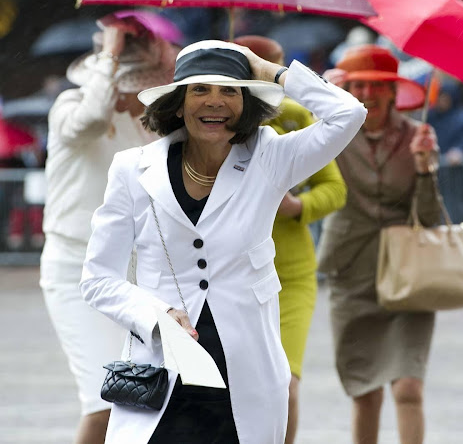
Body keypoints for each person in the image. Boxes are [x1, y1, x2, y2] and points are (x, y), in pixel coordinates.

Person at [80, 40, 366, 443]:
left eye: (229, 90)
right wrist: (156, 313)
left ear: (246, 103)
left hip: (246, 381)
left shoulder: (270, 157)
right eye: (200, 90)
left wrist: (273, 72)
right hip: (160, 376)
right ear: (178, 103)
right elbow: (97, 279)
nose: (214, 102)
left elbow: (348, 114)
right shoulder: (132, 169)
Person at [40, 15, 176, 444]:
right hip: (73, 270)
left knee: (147, 400)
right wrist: (112, 52)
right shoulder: (70, 110)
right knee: (103, 402)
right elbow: (94, 117)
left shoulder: (146, 130)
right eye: (142, 84)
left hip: (133, 276)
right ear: (118, 83)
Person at [316, 44, 440, 444]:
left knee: (408, 387)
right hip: (351, 271)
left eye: (377, 86)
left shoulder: (416, 135)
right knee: (364, 391)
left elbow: (432, 217)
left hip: (410, 274)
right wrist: (319, 94)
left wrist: (425, 169)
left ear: (393, 92)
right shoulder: (330, 132)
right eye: (359, 86)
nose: (368, 94)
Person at [235, 35, 348, 444]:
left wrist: (298, 207)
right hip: (233, 275)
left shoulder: (298, 117)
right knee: (235, 389)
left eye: (273, 73)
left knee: (284, 384)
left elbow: (335, 189)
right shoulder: (215, 123)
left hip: (292, 276)